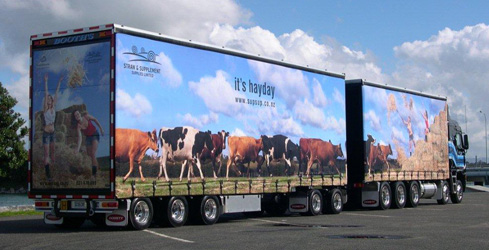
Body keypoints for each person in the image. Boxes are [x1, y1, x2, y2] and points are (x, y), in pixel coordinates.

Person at [72, 110, 104, 176]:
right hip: (88, 138)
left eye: (78, 114)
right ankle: (98, 169)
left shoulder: (86, 117)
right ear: (75, 118)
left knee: (93, 153)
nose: (77, 116)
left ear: (80, 114)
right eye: (75, 115)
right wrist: (77, 149)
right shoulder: (79, 126)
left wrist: (101, 129)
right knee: (90, 155)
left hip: (95, 134)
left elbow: (95, 120)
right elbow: (80, 138)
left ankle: (94, 174)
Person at [42, 73, 63, 180]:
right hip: (46, 133)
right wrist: (46, 82)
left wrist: (59, 82)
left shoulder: (53, 108)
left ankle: (54, 172)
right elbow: (46, 93)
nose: (50, 99)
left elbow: (56, 93)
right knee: (47, 154)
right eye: (48, 99)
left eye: (51, 99)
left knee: (53, 153)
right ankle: (47, 174)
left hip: (53, 133)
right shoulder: (45, 109)